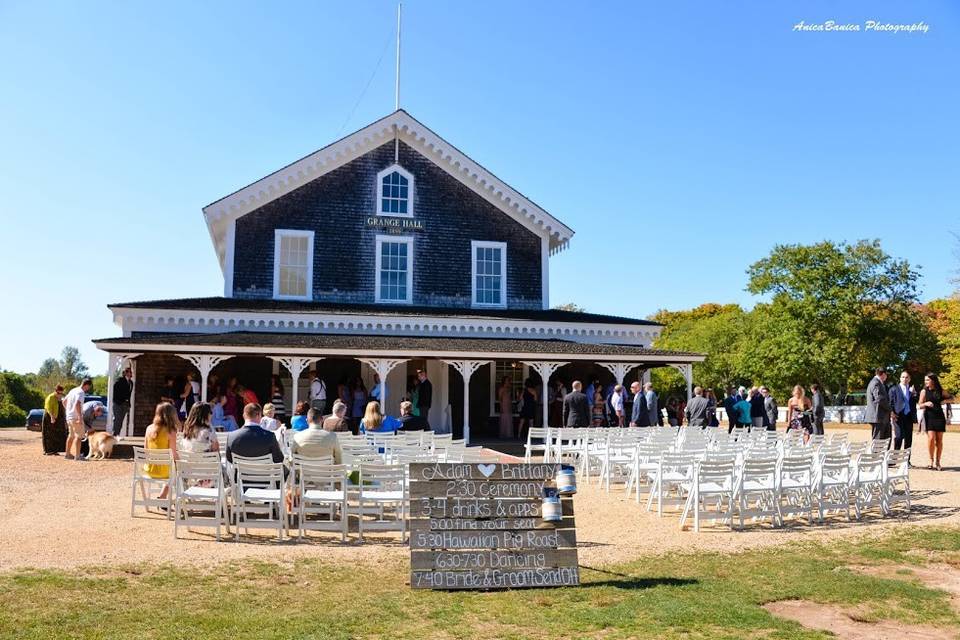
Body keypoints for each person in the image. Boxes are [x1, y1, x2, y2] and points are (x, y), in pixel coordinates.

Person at [145, 402, 180, 500]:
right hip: (164, 472)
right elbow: (173, 454)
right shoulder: (171, 431)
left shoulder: (149, 428)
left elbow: (146, 450)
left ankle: (162, 496)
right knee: (179, 471)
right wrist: (180, 462)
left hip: (150, 469)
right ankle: (178, 500)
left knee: (173, 470)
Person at [918, 373, 951, 470]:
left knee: (939, 441)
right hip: (929, 417)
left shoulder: (941, 391)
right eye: (925, 380)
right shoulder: (924, 391)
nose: (926, 382)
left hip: (940, 417)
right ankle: (930, 460)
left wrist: (945, 401)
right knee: (931, 438)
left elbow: (952, 398)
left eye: (927, 380)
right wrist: (926, 403)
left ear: (933, 380)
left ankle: (938, 462)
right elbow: (919, 405)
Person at [889, 371, 917, 458]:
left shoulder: (912, 390)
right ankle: (894, 458)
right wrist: (892, 413)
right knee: (899, 436)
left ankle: (906, 460)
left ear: (909, 379)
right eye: (903, 377)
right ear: (900, 378)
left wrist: (914, 394)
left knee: (908, 439)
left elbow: (915, 402)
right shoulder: (893, 389)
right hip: (898, 416)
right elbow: (890, 403)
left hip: (909, 416)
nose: (904, 379)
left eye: (906, 377)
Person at [63, 378, 92, 461]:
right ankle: (78, 456)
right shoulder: (81, 392)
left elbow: (64, 401)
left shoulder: (73, 390)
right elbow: (78, 404)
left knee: (71, 436)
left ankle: (67, 454)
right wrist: (79, 416)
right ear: (86, 385)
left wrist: (69, 411)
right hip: (76, 417)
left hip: (69, 417)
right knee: (78, 436)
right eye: (88, 387)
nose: (88, 389)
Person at [864, 368, 892, 441]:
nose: (886, 377)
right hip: (878, 417)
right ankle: (877, 453)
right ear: (883, 374)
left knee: (884, 440)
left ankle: (882, 452)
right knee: (878, 441)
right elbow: (879, 399)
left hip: (881, 417)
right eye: (886, 375)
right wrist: (890, 410)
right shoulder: (876, 383)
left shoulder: (877, 383)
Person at [41, 385, 66, 455]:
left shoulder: (59, 398)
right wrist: (52, 417)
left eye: (61, 393)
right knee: (48, 434)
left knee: (56, 434)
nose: (60, 395)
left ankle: (55, 450)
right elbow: (48, 408)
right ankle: (48, 451)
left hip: (57, 417)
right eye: (58, 393)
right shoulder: (50, 397)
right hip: (49, 417)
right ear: (55, 391)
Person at [112, 366, 134, 436]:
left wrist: (128, 403)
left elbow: (129, 394)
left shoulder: (131, 382)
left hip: (125, 404)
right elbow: (116, 391)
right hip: (118, 403)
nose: (131, 373)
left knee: (121, 420)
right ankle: (115, 434)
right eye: (129, 372)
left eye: (131, 372)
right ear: (125, 373)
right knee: (117, 419)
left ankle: (117, 434)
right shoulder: (119, 380)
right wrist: (118, 400)